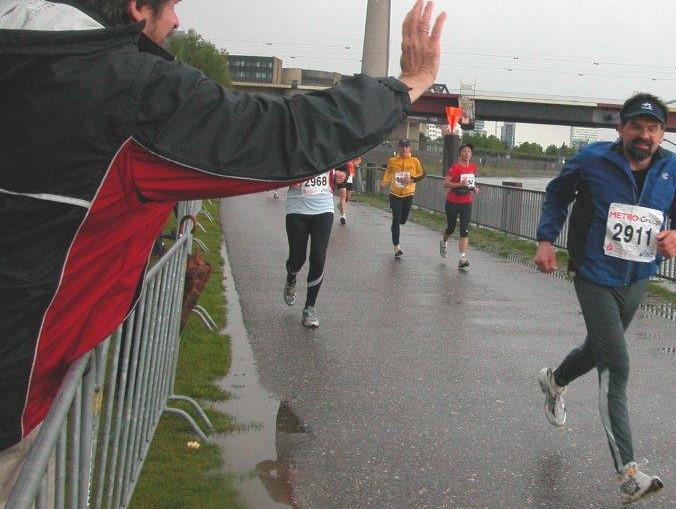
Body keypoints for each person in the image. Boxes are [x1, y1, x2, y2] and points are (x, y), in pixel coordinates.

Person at [0, 0, 446, 497]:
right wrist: (407, 83)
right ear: (135, 8)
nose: (177, 21)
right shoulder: (119, 89)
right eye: (169, 5)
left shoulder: (27, 57)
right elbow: (281, 135)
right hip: (14, 407)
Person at [533, 92, 676, 504]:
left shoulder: (675, 169)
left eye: (653, 128)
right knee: (617, 364)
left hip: (638, 276)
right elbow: (557, 194)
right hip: (592, 272)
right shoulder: (593, 159)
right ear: (621, 129)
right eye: (637, 126)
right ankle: (628, 472)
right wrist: (544, 239)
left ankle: (555, 382)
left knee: (597, 351)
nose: (645, 135)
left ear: (663, 132)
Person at [282, 169, 345, 327]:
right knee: (297, 258)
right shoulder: (294, 145)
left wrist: (342, 176)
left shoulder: (330, 147)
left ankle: (310, 308)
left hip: (323, 208)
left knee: (318, 256)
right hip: (296, 207)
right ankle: (291, 279)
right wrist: (289, 178)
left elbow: (344, 169)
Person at [380, 139, 426, 257]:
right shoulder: (393, 160)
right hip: (394, 193)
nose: (404, 149)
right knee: (396, 218)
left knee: (403, 220)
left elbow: (423, 174)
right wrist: (385, 182)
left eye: (406, 146)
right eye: (402, 146)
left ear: (410, 148)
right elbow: (389, 172)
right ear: (398, 148)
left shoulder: (414, 160)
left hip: (408, 193)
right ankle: (397, 247)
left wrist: (412, 179)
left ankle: (395, 226)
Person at [440, 143, 479, 269]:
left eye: (469, 152)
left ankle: (462, 258)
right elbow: (446, 184)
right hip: (452, 201)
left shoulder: (473, 168)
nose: (466, 154)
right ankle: (444, 241)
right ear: (460, 154)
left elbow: (470, 184)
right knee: (451, 228)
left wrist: (474, 188)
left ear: (471, 154)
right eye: (464, 151)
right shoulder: (455, 167)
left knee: (464, 229)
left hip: (466, 202)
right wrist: (459, 184)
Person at [336, 156, 361, 224]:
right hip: (341, 174)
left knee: (347, 197)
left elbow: (359, 159)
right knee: (343, 194)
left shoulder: (353, 151)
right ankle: (344, 216)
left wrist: (356, 162)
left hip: (350, 176)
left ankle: (340, 205)